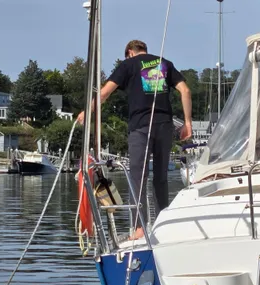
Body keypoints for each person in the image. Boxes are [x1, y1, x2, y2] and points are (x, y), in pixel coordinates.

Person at [77, 39, 192, 239]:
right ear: (145, 50)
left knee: (138, 177)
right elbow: (186, 90)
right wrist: (188, 123)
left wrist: (88, 112)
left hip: (141, 126)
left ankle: (139, 228)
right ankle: (161, 225)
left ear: (130, 52)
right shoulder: (164, 63)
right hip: (165, 125)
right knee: (161, 178)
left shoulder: (128, 65)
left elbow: (104, 93)